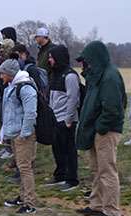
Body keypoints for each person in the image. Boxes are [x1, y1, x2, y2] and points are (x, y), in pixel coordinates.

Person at [74, 41, 126, 216]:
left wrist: (101, 128)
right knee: (97, 169)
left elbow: (113, 109)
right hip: (97, 131)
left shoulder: (109, 77)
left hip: (107, 132)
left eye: (85, 60)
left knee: (107, 170)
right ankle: (96, 205)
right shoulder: (97, 75)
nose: (82, 64)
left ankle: (112, 211)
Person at [0, 59, 38, 214]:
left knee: (25, 168)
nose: (1, 76)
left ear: (10, 73)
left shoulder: (25, 88)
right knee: (21, 168)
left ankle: (30, 204)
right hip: (14, 134)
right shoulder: (12, 86)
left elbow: (30, 113)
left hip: (23, 136)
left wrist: (24, 134)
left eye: (3, 73)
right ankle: (23, 196)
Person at [45, 45, 80, 192]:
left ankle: (72, 179)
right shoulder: (55, 74)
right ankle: (60, 175)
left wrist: (68, 120)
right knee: (57, 149)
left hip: (66, 120)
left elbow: (73, 99)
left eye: (51, 57)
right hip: (55, 119)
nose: (49, 60)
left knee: (69, 150)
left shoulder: (70, 75)